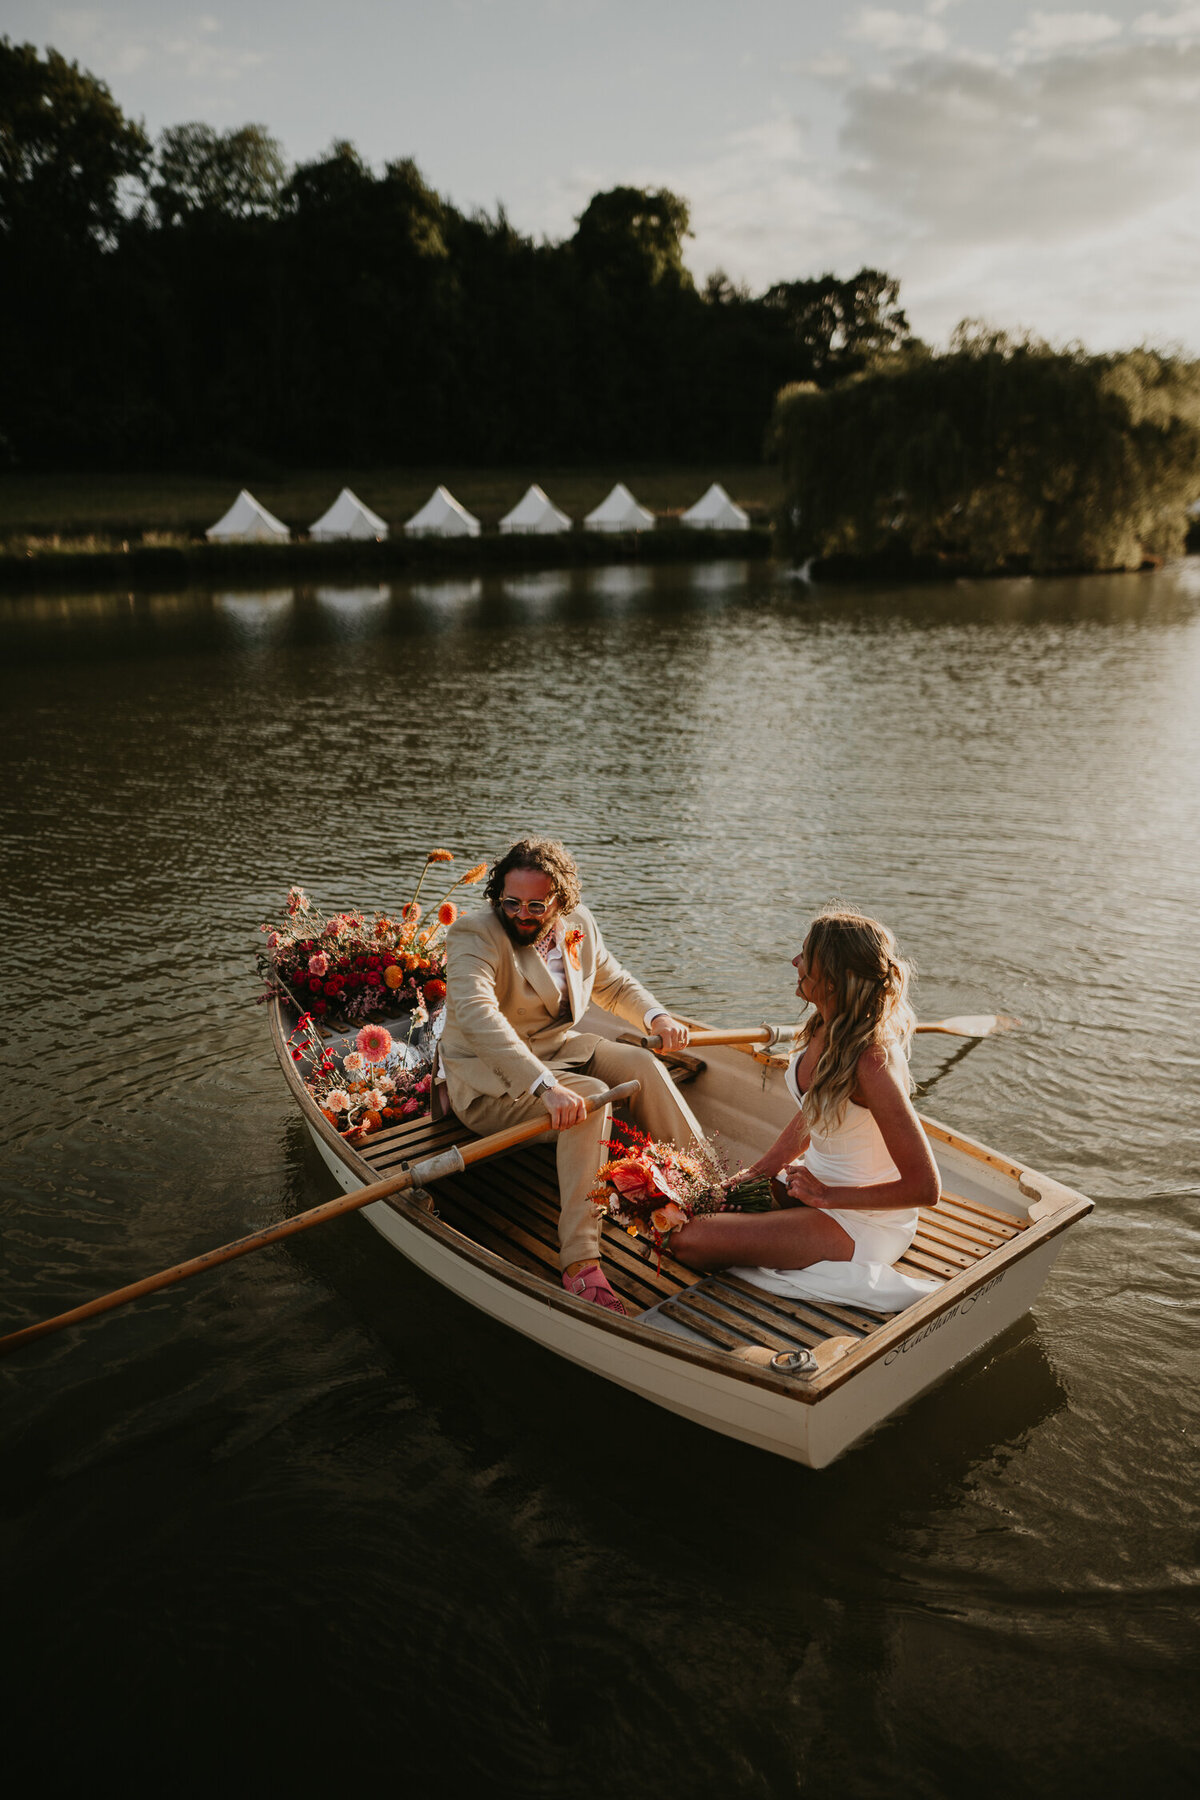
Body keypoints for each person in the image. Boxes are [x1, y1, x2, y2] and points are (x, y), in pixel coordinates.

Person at [439, 836, 704, 1314]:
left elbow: (612, 983)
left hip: (562, 1051)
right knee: (593, 1098)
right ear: (498, 895)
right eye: (511, 902)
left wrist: (657, 1018)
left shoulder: (577, 927)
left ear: (561, 901)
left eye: (536, 905)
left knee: (642, 1063)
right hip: (492, 1078)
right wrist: (545, 1085)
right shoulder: (473, 936)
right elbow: (478, 1015)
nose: (521, 913)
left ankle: (705, 1186)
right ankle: (580, 1260)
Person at [670, 907, 941, 1295]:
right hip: (809, 1187)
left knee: (687, 1241)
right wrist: (760, 1171)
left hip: (859, 1219)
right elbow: (814, 1115)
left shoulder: (871, 1060)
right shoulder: (821, 1026)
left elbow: (925, 1187)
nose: (794, 962)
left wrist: (827, 1196)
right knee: (687, 1210)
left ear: (832, 979)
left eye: (805, 957)